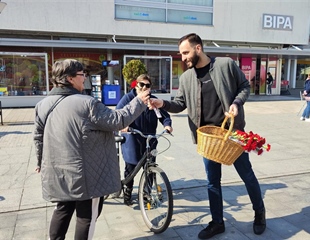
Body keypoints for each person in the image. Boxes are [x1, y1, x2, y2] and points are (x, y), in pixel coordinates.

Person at [149, 33, 266, 239]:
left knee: (247, 175)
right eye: (181, 53)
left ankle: (259, 214)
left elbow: (244, 87)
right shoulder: (186, 77)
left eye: (185, 52)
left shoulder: (225, 65)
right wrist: (163, 104)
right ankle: (217, 223)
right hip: (208, 138)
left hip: (232, 134)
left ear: (198, 48)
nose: (183, 57)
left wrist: (236, 104)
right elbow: (179, 104)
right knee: (213, 181)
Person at [33, 59, 150, 240]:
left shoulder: (42, 105)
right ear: (70, 78)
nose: (84, 78)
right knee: (86, 217)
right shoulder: (87, 103)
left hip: (57, 172)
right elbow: (118, 120)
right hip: (86, 175)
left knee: (62, 209)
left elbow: (38, 137)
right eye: (82, 75)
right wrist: (139, 101)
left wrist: (40, 161)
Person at [116, 74, 173, 205]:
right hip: (132, 137)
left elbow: (164, 116)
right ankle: (128, 191)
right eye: (142, 84)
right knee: (131, 166)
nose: (145, 87)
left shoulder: (153, 100)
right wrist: (123, 126)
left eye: (148, 85)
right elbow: (117, 115)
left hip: (150, 138)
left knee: (150, 166)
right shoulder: (128, 98)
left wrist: (167, 125)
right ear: (136, 85)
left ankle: (147, 193)